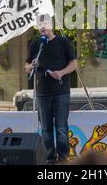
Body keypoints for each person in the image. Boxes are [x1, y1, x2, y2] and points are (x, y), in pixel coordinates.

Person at [25, 14, 77, 164]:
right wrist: (31, 66)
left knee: (61, 127)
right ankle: (49, 159)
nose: (42, 27)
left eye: (45, 24)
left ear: (51, 25)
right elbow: (26, 66)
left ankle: (63, 158)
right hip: (42, 92)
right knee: (46, 128)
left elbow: (74, 64)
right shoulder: (35, 45)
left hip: (61, 91)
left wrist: (60, 72)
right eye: (39, 25)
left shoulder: (63, 42)